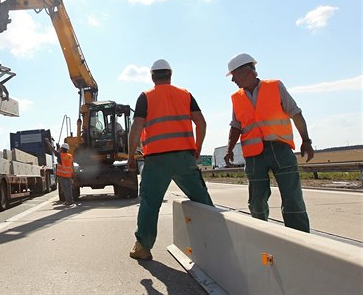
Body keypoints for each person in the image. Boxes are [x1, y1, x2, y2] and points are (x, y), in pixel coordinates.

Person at [127, 59, 214, 261]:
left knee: (150, 203)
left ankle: (143, 247)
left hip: (156, 160)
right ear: (170, 75)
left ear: (152, 77)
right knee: (202, 199)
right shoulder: (185, 94)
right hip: (184, 157)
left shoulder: (145, 97)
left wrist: (131, 156)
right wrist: (197, 147)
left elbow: (136, 128)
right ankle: (218, 239)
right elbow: (201, 122)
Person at [224, 53, 313, 233]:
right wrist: (229, 149)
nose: (232, 79)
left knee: (292, 198)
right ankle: (261, 236)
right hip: (254, 155)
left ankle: (301, 240)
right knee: (256, 201)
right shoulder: (236, 97)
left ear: (248, 71)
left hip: (280, 149)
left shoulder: (275, 86)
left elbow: (295, 112)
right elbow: (236, 126)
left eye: (234, 74)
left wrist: (306, 140)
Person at [45, 138, 75, 206]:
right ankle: (71, 199)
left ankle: (68, 201)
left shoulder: (60, 156)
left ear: (62, 149)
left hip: (62, 175)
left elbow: (53, 150)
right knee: (69, 188)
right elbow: (72, 165)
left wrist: (48, 142)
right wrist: (73, 174)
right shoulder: (70, 156)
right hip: (69, 175)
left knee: (65, 189)